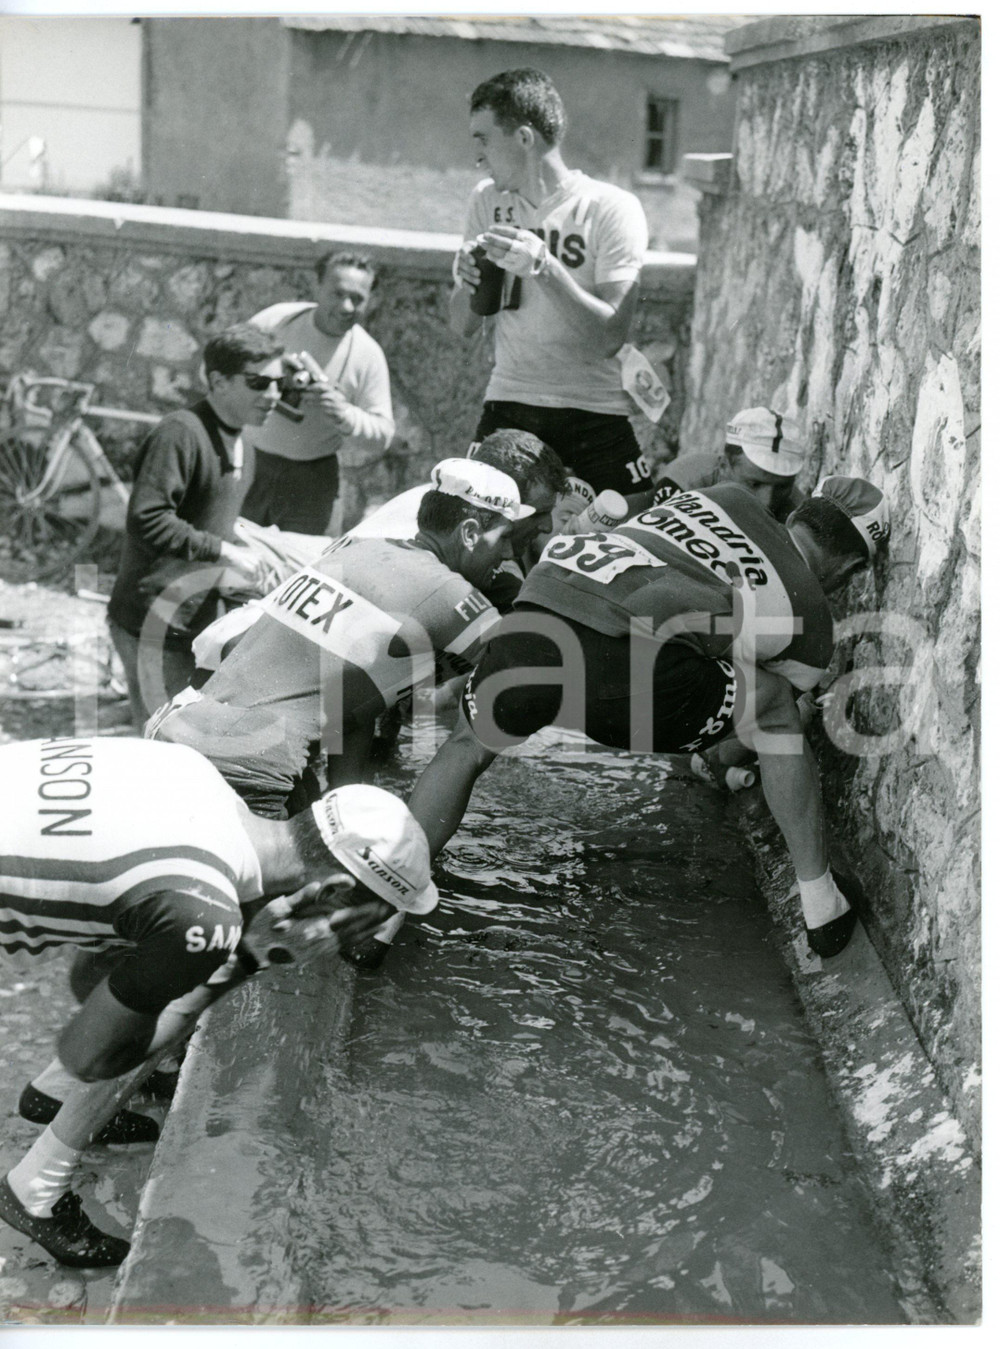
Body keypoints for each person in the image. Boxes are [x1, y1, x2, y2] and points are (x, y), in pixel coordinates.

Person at [408, 475, 891, 960]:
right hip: (627, 674)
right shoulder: (812, 619)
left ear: (798, 515)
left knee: (467, 746)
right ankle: (822, 906)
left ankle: (386, 894)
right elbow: (731, 741)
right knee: (774, 709)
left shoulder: (724, 496)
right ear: (848, 567)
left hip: (539, 610)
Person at [0, 734, 436, 1267]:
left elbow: (102, 943)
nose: (369, 936)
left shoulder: (190, 771)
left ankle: (50, 1100)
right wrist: (241, 963)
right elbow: (89, 1058)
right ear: (331, 894)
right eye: (375, 916)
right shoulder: (203, 914)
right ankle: (33, 1193)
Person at [147, 458, 534, 818]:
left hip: (175, 725)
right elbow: (535, 666)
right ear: (469, 533)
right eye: (504, 538)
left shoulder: (358, 550)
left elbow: (350, 709)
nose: (509, 552)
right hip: (249, 763)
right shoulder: (452, 597)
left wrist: (346, 808)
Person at [451, 68, 653, 496]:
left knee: (632, 528)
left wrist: (544, 267)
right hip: (511, 397)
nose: (478, 158)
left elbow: (609, 336)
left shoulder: (610, 208)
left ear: (524, 139)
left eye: (484, 140)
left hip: (593, 408)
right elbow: (462, 325)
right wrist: (470, 282)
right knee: (468, 525)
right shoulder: (487, 201)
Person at [106, 323, 283, 728]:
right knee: (166, 746)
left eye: (279, 383)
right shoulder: (180, 433)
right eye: (259, 382)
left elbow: (209, 516)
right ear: (218, 381)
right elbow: (146, 518)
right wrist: (223, 551)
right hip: (152, 622)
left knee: (191, 739)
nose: (273, 395)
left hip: (194, 619)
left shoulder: (244, 442)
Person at [240, 251, 395, 535]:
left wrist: (343, 413)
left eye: (358, 298)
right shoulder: (277, 321)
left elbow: (382, 435)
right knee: (232, 562)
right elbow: (214, 369)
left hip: (311, 481)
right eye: (337, 293)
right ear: (317, 287)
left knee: (307, 567)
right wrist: (264, 380)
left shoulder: (367, 353)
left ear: (370, 301)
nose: (346, 306)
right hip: (250, 464)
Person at [650, 406, 807, 523]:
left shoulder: (799, 509)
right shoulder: (684, 482)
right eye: (754, 484)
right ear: (724, 465)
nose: (767, 502)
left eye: (782, 487)